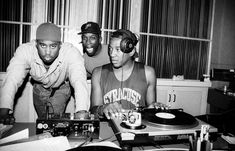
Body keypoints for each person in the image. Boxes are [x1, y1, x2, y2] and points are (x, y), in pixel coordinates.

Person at [0, 22, 89, 122]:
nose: (47, 52)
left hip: (61, 87)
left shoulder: (71, 53)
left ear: (60, 45)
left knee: (55, 122)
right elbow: (12, 79)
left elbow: (79, 80)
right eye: (43, 45)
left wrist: (82, 111)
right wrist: (4, 110)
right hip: (39, 86)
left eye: (53, 46)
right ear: (36, 44)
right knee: (42, 123)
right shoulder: (25, 51)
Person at [90, 29, 156, 119]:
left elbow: (152, 110)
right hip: (107, 130)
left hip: (136, 129)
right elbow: (93, 111)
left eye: (118, 49)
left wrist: (156, 108)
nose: (112, 54)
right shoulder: (98, 73)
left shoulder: (148, 73)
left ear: (131, 51)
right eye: (110, 49)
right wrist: (103, 108)